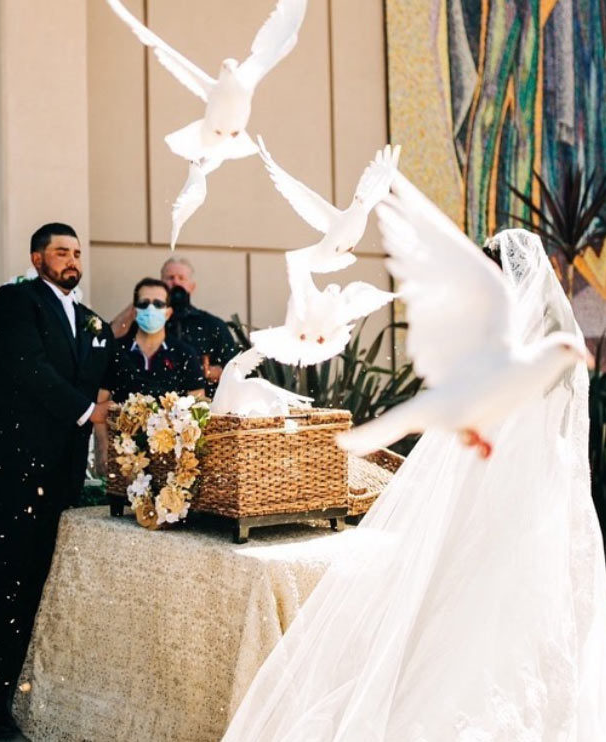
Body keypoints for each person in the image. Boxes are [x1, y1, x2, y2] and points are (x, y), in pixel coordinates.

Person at [221, 229, 606, 741]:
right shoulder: (547, 355)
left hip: (511, 492)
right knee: (473, 603)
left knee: (487, 602)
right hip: (520, 490)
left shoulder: (504, 346)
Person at [0, 223, 149, 740]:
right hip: (12, 467)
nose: (71, 260)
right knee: (8, 580)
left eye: (77, 253)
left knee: (41, 581)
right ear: (37, 257)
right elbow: (27, 368)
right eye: (60, 251)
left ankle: (27, 684)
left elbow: (113, 369)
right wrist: (90, 410)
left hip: (58, 472)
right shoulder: (15, 301)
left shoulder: (90, 321)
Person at [111, 256, 237, 396]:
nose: (175, 282)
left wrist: (213, 371)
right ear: (161, 282)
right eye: (170, 278)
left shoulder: (211, 325)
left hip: (195, 403)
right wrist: (144, 302)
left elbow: (237, 370)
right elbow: (110, 338)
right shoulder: (145, 321)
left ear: (192, 286)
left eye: (181, 278)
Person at [112, 277, 205, 400]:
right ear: (134, 312)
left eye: (158, 304)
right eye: (144, 304)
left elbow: (197, 405)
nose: (151, 309)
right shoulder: (116, 351)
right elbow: (101, 401)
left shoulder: (185, 354)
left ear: (168, 313)